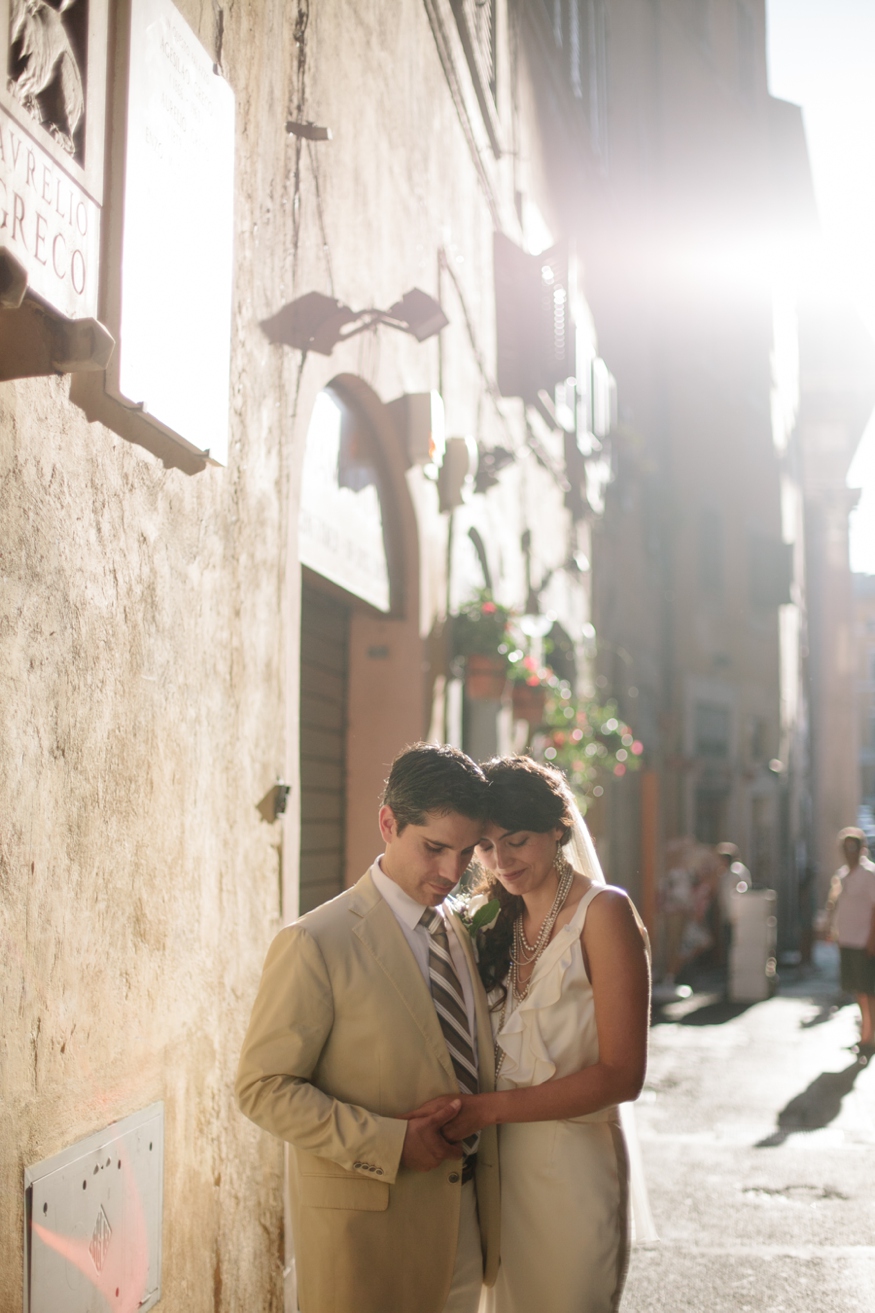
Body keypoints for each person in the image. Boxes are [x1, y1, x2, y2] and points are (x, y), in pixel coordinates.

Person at [235, 743, 500, 1313]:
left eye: (466, 851)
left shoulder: (459, 927)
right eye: (434, 848)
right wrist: (392, 1141)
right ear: (388, 823)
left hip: (469, 1231)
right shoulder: (315, 942)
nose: (452, 873)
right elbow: (262, 1089)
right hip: (368, 1240)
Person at [404, 756, 651, 1313]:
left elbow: (622, 1076)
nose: (501, 861)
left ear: (558, 829)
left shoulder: (603, 913)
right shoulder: (490, 921)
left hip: (572, 1173)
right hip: (491, 1177)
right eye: (486, 847)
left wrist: (485, 1110)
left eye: (516, 841)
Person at [826, 827, 875, 1056]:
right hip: (847, 940)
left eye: (853, 848)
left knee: (868, 990)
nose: (849, 853)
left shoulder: (869, 874)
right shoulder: (843, 875)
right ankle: (864, 1033)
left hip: (864, 940)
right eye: (846, 848)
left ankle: (868, 1037)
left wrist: (872, 939)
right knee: (858, 990)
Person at [715, 842, 751, 965]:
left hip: (738, 916)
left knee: (737, 944)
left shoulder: (737, 872)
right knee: (729, 943)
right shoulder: (725, 874)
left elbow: (743, 892)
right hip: (728, 916)